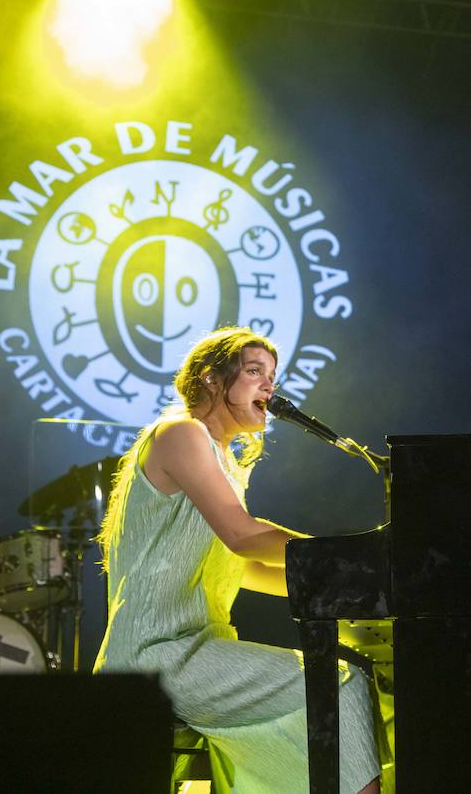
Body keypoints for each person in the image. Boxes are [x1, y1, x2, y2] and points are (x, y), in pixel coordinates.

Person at [94, 326, 381, 794]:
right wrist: (342, 562)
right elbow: (245, 538)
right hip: (156, 656)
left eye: (272, 376)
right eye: (254, 372)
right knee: (338, 684)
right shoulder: (181, 433)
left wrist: (338, 584)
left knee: (335, 687)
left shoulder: (224, 459)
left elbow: (237, 565)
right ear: (210, 379)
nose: (270, 386)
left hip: (193, 649)